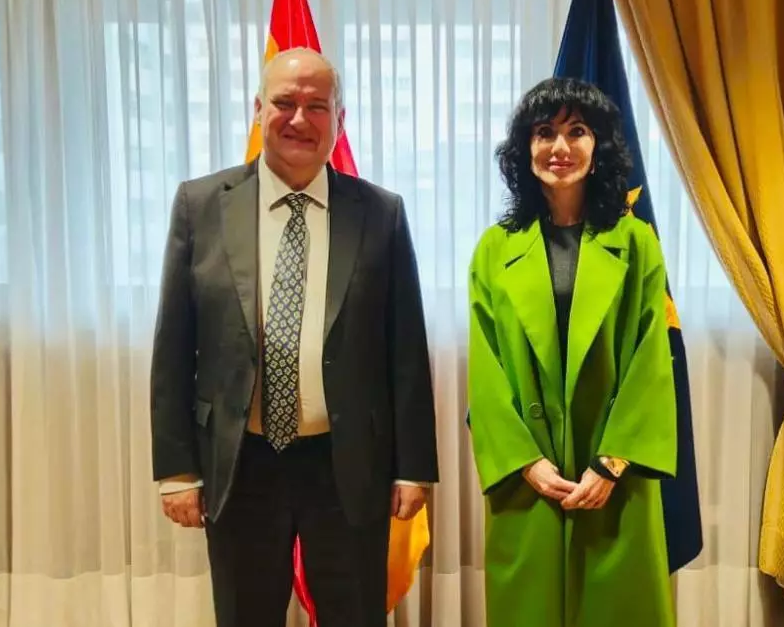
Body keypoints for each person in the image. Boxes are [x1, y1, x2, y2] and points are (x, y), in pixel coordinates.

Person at [150, 47, 439, 627]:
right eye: (284, 103)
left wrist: (413, 467)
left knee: (355, 615)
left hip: (347, 460)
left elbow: (405, 351)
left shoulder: (380, 213)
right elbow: (174, 346)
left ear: (340, 119)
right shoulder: (200, 206)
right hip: (241, 459)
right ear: (258, 110)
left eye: (317, 106)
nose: (300, 119)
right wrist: (177, 469)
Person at [466, 77, 678, 626]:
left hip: (613, 474)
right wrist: (525, 462)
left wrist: (611, 463)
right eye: (545, 132)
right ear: (525, 148)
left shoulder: (636, 243)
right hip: (529, 478)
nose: (560, 147)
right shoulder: (494, 249)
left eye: (577, 131)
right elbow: (485, 373)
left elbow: (651, 362)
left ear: (598, 145)